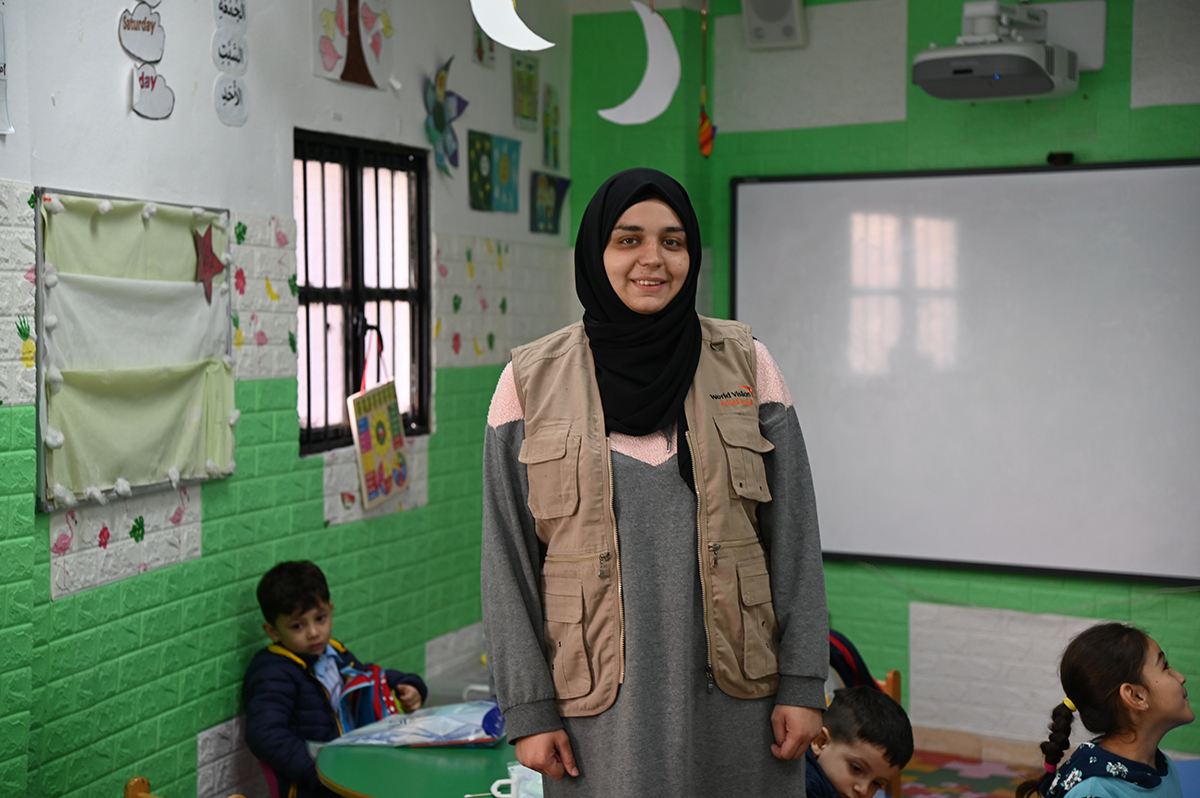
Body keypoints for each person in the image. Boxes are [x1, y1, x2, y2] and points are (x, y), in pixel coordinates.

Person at [481, 168, 829, 796]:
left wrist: (804, 685)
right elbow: (506, 560)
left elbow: (795, 539)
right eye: (627, 240)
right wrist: (528, 712)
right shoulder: (528, 382)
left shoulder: (748, 363)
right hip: (595, 706)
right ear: (594, 252)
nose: (653, 259)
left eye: (673, 241)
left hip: (741, 696)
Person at [242, 561, 428, 798]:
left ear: (330, 609)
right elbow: (265, 735)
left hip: (355, 766)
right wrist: (319, 772)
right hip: (316, 786)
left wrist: (409, 685)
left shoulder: (333, 652)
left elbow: (367, 679)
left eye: (320, 618)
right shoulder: (273, 671)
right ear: (272, 631)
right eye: (298, 626)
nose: (313, 633)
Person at [1015, 622, 1193, 798]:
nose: (1181, 677)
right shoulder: (1095, 792)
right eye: (1165, 667)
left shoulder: (1161, 766)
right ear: (1136, 696)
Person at [806, 686, 913, 798]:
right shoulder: (802, 787)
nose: (863, 790)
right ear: (820, 742)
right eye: (856, 768)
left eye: (876, 783)